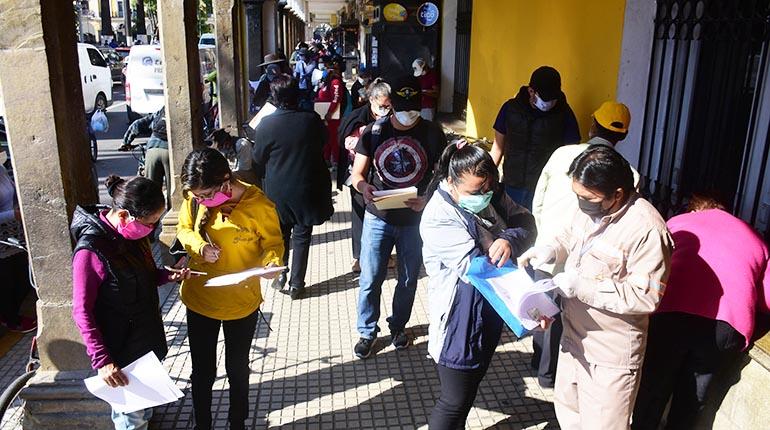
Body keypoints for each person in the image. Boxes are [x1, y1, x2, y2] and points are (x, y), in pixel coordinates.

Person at [518, 146, 673, 430]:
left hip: (609, 354)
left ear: (618, 193)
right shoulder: (590, 209)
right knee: (569, 416)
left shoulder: (647, 230)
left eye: (588, 198)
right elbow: (570, 234)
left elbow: (645, 296)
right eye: (577, 195)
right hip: (573, 338)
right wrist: (550, 250)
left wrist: (582, 286)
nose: (581, 203)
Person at [421, 141, 537, 428]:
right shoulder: (439, 216)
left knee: (468, 394)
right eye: (475, 192)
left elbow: (526, 222)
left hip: (488, 309)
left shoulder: (491, 193)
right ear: (451, 182)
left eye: (488, 188)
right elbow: (481, 268)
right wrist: (531, 308)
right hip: (458, 320)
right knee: (453, 402)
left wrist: (508, 239)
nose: (484, 196)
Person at [632, 194, 770, 430]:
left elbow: (650, 265)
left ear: (694, 210)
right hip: (725, 326)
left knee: (653, 386)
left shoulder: (677, 223)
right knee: (694, 396)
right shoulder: (753, 236)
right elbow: (767, 300)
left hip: (670, 314)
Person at [529, 101, 637, 388]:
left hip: (548, 245)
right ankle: (548, 373)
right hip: (582, 257)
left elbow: (538, 200)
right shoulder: (631, 175)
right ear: (624, 136)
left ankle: (542, 366)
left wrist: (543, 233)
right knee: (560, 315)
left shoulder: (562, 153)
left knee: (542, 306)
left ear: (592, 124)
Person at [71, 175, 193, 429]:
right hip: (120, 350)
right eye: (150, 223)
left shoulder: (134, 236)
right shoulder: (90, 251)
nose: (153, 229)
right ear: (125, 216)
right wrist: (102, 360)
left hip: (144, 342)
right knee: (130, 418)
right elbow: (82, 311)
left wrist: (168, 275)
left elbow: (143, 277)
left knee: (143, 409)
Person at [176, 148, 284, 430]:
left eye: (206, 195)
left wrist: (272, 263)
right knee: (202, 371)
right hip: (200, 298)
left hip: (241, 301)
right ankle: (203, 424)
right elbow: (183, 230)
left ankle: (238, 422)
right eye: (196, 196)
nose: (200, 201)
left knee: (237, 369)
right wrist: (199, 247)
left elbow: (273, 243)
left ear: (226, 181)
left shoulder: (259, 205)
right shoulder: (195, 198)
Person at [350, 75, 447, 359]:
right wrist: (364, 187)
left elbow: (445, 176)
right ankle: (367, 331)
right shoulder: (374, 132)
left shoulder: (432, 133)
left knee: (408, 279)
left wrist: (429, 199)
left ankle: (398, 326)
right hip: (378, 216)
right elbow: (357, 174)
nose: (410, 114)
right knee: (370, 277)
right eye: (404, 107)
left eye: (415, 107)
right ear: (391, 105)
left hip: (415, 221)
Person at [252, 75, 334, 299]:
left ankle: (280, 273)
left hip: (278, 187)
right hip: (307, 184)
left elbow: (257, 158)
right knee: (302, 234)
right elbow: (323, 142)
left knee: (280, 234)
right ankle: (297, 284)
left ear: (274, 97)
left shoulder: (266, 124)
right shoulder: (311, 119)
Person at [489, 66, 581, 209]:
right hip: (512, 185)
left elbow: (571, 155)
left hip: (544, 189)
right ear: (531, 91)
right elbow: (497, 148)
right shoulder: (510, 109)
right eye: (545, 98)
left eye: (553, 99)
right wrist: (486, 177)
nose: (549, 102)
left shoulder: (565, 115)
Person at [337, 79, 392, 273]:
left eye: (388, 105)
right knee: (360, 215)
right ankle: (359, 258)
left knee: (385, 215)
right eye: (381, 106)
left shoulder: (393, 118)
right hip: (358, 174)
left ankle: (383, 255)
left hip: (385, 175)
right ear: (371, 100)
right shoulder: (357, 117)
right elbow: (346, 142)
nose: (385, 110)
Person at [0, 163, 35, 333]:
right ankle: (11, 319)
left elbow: (13, 193)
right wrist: (13, 214)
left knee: (22, 278)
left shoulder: (1, 169)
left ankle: (13, 315)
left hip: (15, 234)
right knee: (7, 283)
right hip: (2, 241)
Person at [122, 107, 171, 209]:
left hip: (152, 150)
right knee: (173, 190)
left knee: (151, 192)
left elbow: (137, 125)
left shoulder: (162, 111)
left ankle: (151, 221)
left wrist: (126, 143)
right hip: (169, 152)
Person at [316, 57, 346, 167]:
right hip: (322, 113)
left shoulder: (335, 82)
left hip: (331, 116)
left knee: (333, 138)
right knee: (325, 138)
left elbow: (336, 99)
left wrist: (329, 112)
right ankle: (326, 158)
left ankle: (335, 161)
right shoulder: (326, 83)